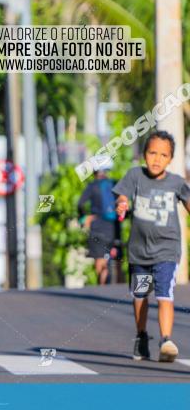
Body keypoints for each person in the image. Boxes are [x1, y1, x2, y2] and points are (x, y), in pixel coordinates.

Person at [114, 131, 190, 362]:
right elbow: (122, 196)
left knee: (165, 293)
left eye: (163, 155)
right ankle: (141, 336)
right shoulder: (134, 176)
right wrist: (122, 204)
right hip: (139, 253)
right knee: (140, 295)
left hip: (167, 250)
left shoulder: (176, 182)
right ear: (144, 154)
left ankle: (166, 340)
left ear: (170, 159)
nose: (157, 159)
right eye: (152, 153)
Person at [77, 155, 121, 285]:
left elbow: (80, 204)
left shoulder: (92, 186)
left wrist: (84, 217)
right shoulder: (115, 184)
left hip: (97, 226)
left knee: (100, 261)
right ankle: (115, 288)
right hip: (114, 227)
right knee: (116, 258)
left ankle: (102, 285)